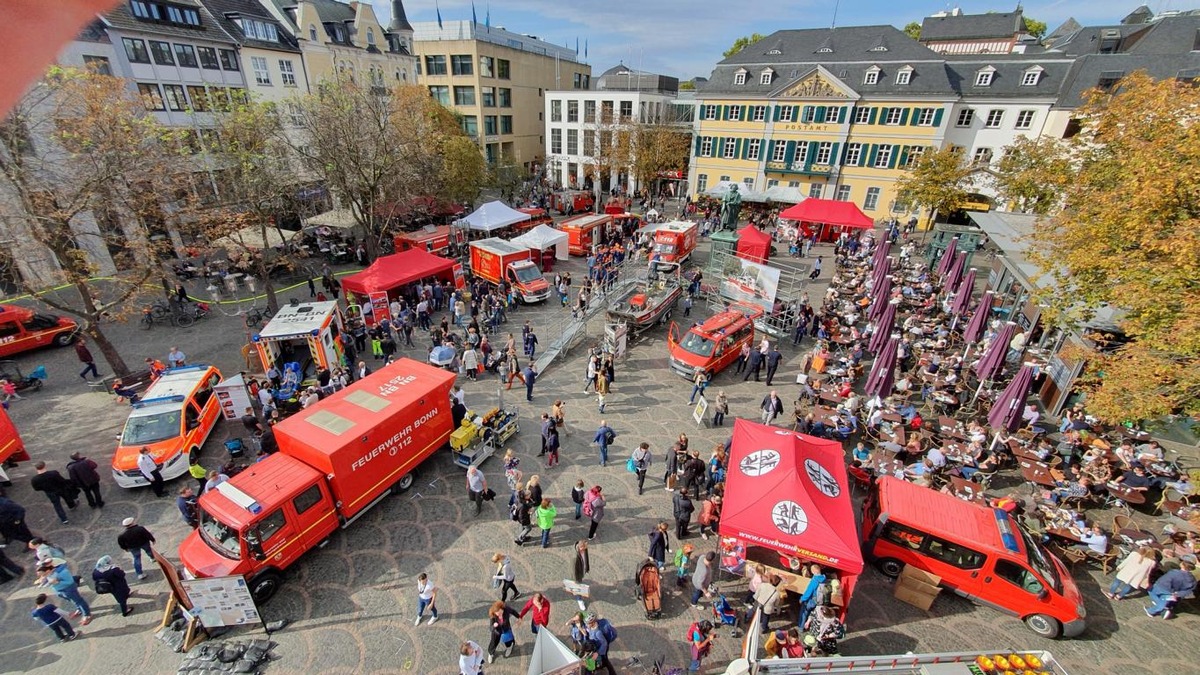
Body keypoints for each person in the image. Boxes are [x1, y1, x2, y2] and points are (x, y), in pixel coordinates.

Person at [35, 557, 92, 625]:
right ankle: (80, 609)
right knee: (73, 601)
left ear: (47, 571)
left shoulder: (63, 572)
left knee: (79, 601)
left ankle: (87, 615)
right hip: (60, 590)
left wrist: (57, 582)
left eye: (43, 574)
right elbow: (48, 580)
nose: (42, 576)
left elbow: (70, 582)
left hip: (69, 589)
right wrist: (43, 581)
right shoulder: (50, 574)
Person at [571, 540, 591, 610]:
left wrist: (587, 568)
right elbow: (574, 570)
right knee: (578, 588)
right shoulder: (575, 557)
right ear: (580, 547)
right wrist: (576, 581)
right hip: (577, 576)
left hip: (582, 571)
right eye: (585, 547)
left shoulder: (584, 549)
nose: (586, 548)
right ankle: (579, 600)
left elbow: (586, 558)